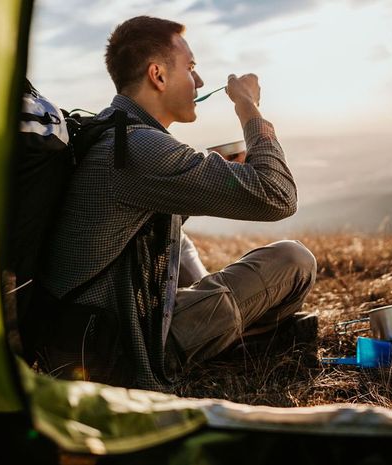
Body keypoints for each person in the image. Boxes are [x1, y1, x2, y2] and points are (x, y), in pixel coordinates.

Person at [23, 15, 318, 391]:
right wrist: (248, 107)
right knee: (293, 261)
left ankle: (228, 330)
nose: (198, 81)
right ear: (158, 75)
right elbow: (278, 196)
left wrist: (205, 176)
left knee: (180, 238)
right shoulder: (138, 148)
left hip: (81, 337)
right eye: (191, 68)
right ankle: (230, 341)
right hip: (124, 353)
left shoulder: (107, 130)